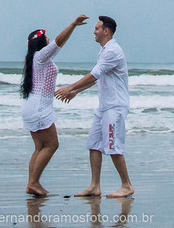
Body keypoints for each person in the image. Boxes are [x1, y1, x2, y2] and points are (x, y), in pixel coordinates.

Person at [55, 15, 133, 198]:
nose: (94, 31)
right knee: (94, 145)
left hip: (115, 107)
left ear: (106, 31)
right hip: (104, 107)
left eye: (97, 28)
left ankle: (127, 185)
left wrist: (70, 87)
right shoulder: (104, 50)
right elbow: (98, 77)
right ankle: (94, 186)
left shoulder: (113, 51)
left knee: (113, 147)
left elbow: (93, 74)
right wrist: (76, 91)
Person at [21, 14, 88, 197]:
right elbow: (59, 42)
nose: (49, 38)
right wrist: (73, 24)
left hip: (31, 105)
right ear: (41, 42)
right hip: (39, 107)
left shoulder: (34, 59)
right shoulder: (41, 56)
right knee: (52, 144)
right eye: (45, 36)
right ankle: (34, 183)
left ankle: (32, 183)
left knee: (39, 147)